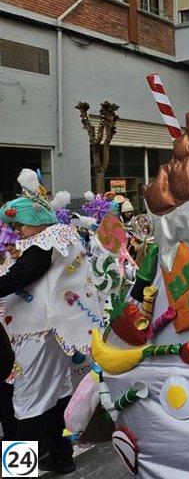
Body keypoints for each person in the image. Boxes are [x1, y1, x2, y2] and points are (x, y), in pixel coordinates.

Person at [0, 170, 101, 474]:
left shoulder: (47, 240)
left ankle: (19, 471)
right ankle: (60, 457)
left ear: (36, 219)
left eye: (19, 224)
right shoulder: (60, 238)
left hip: (38, 334)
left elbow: (18, 277)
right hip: (51, 333)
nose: (16, 231)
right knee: (57, 394)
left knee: (27, 401)